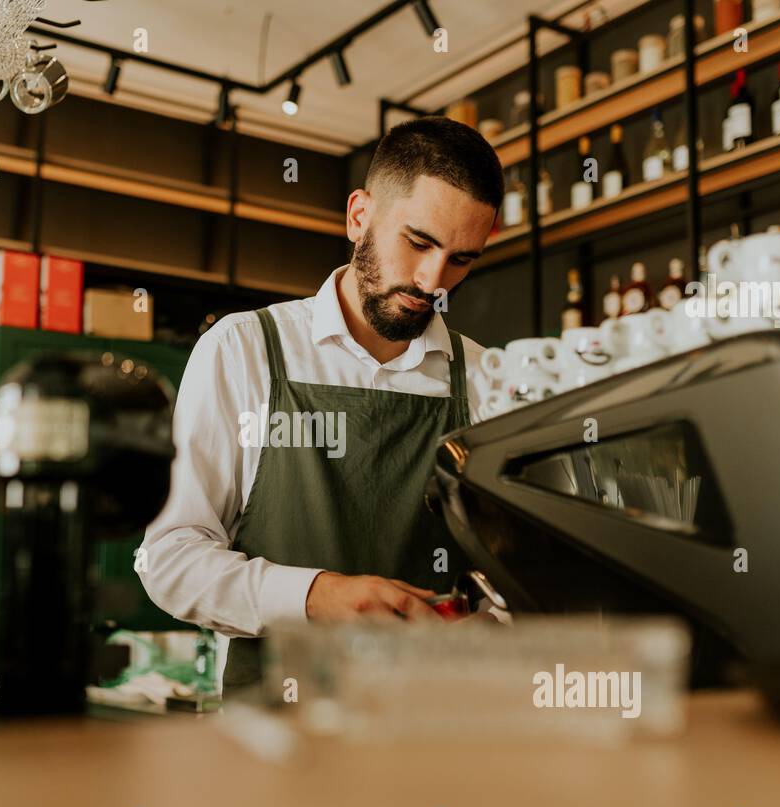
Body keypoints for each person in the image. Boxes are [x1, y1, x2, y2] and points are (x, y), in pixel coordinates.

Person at [137, 116, 505, 691]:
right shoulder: (244, 349)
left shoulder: (485, 375)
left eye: (462, 259)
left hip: (434, 731)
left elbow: (505, 578)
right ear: (360, 216)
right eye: (419, 242)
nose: (434, 280)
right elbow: (171, 559)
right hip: (274, 738)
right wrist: (314, 595)